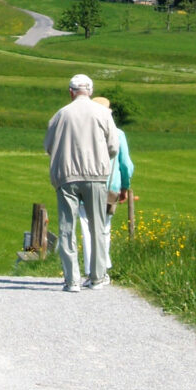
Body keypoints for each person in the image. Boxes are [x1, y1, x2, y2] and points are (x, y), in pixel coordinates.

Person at [44, 74, 118, 292]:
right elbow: (113, 146)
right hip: (96, 175)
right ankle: (97, 276)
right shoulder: (103, 113)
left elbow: (48, 145)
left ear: (70, 92)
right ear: (91, 91)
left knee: (67, 227)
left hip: (67, 176)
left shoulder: (60, 115)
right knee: (97, 226)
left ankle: (72, 279)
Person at [77, 96, 134, 285]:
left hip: (84, 184)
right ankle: (102, 270)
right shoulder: (118, 134)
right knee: (104, 228)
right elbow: (125, 164)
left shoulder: (83, 133)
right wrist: (125, 186)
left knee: (87, 227)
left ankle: (89, 271)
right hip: (110, 186)